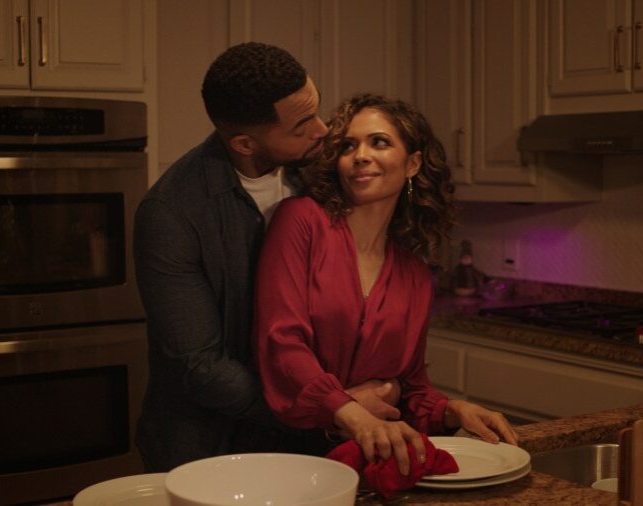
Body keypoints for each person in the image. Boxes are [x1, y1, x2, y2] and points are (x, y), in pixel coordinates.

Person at [133, 43, 400, 472]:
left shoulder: (317, 173)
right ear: (244, 142)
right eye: (301, 125)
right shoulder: (171, 213)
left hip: (314, 438)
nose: (321, 130)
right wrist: (332, 407)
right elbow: (200, 367)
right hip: (209, 446)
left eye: (316, 108)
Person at [254, 94, 519, 477]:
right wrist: (354, 413)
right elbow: (282, 342)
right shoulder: (301, 222)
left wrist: (451, 409)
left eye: (379, 142)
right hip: (289, 456)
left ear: (412, 163)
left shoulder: (413, 270)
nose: (360, 155)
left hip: (366, 462)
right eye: (348, 145)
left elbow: (410, 387)